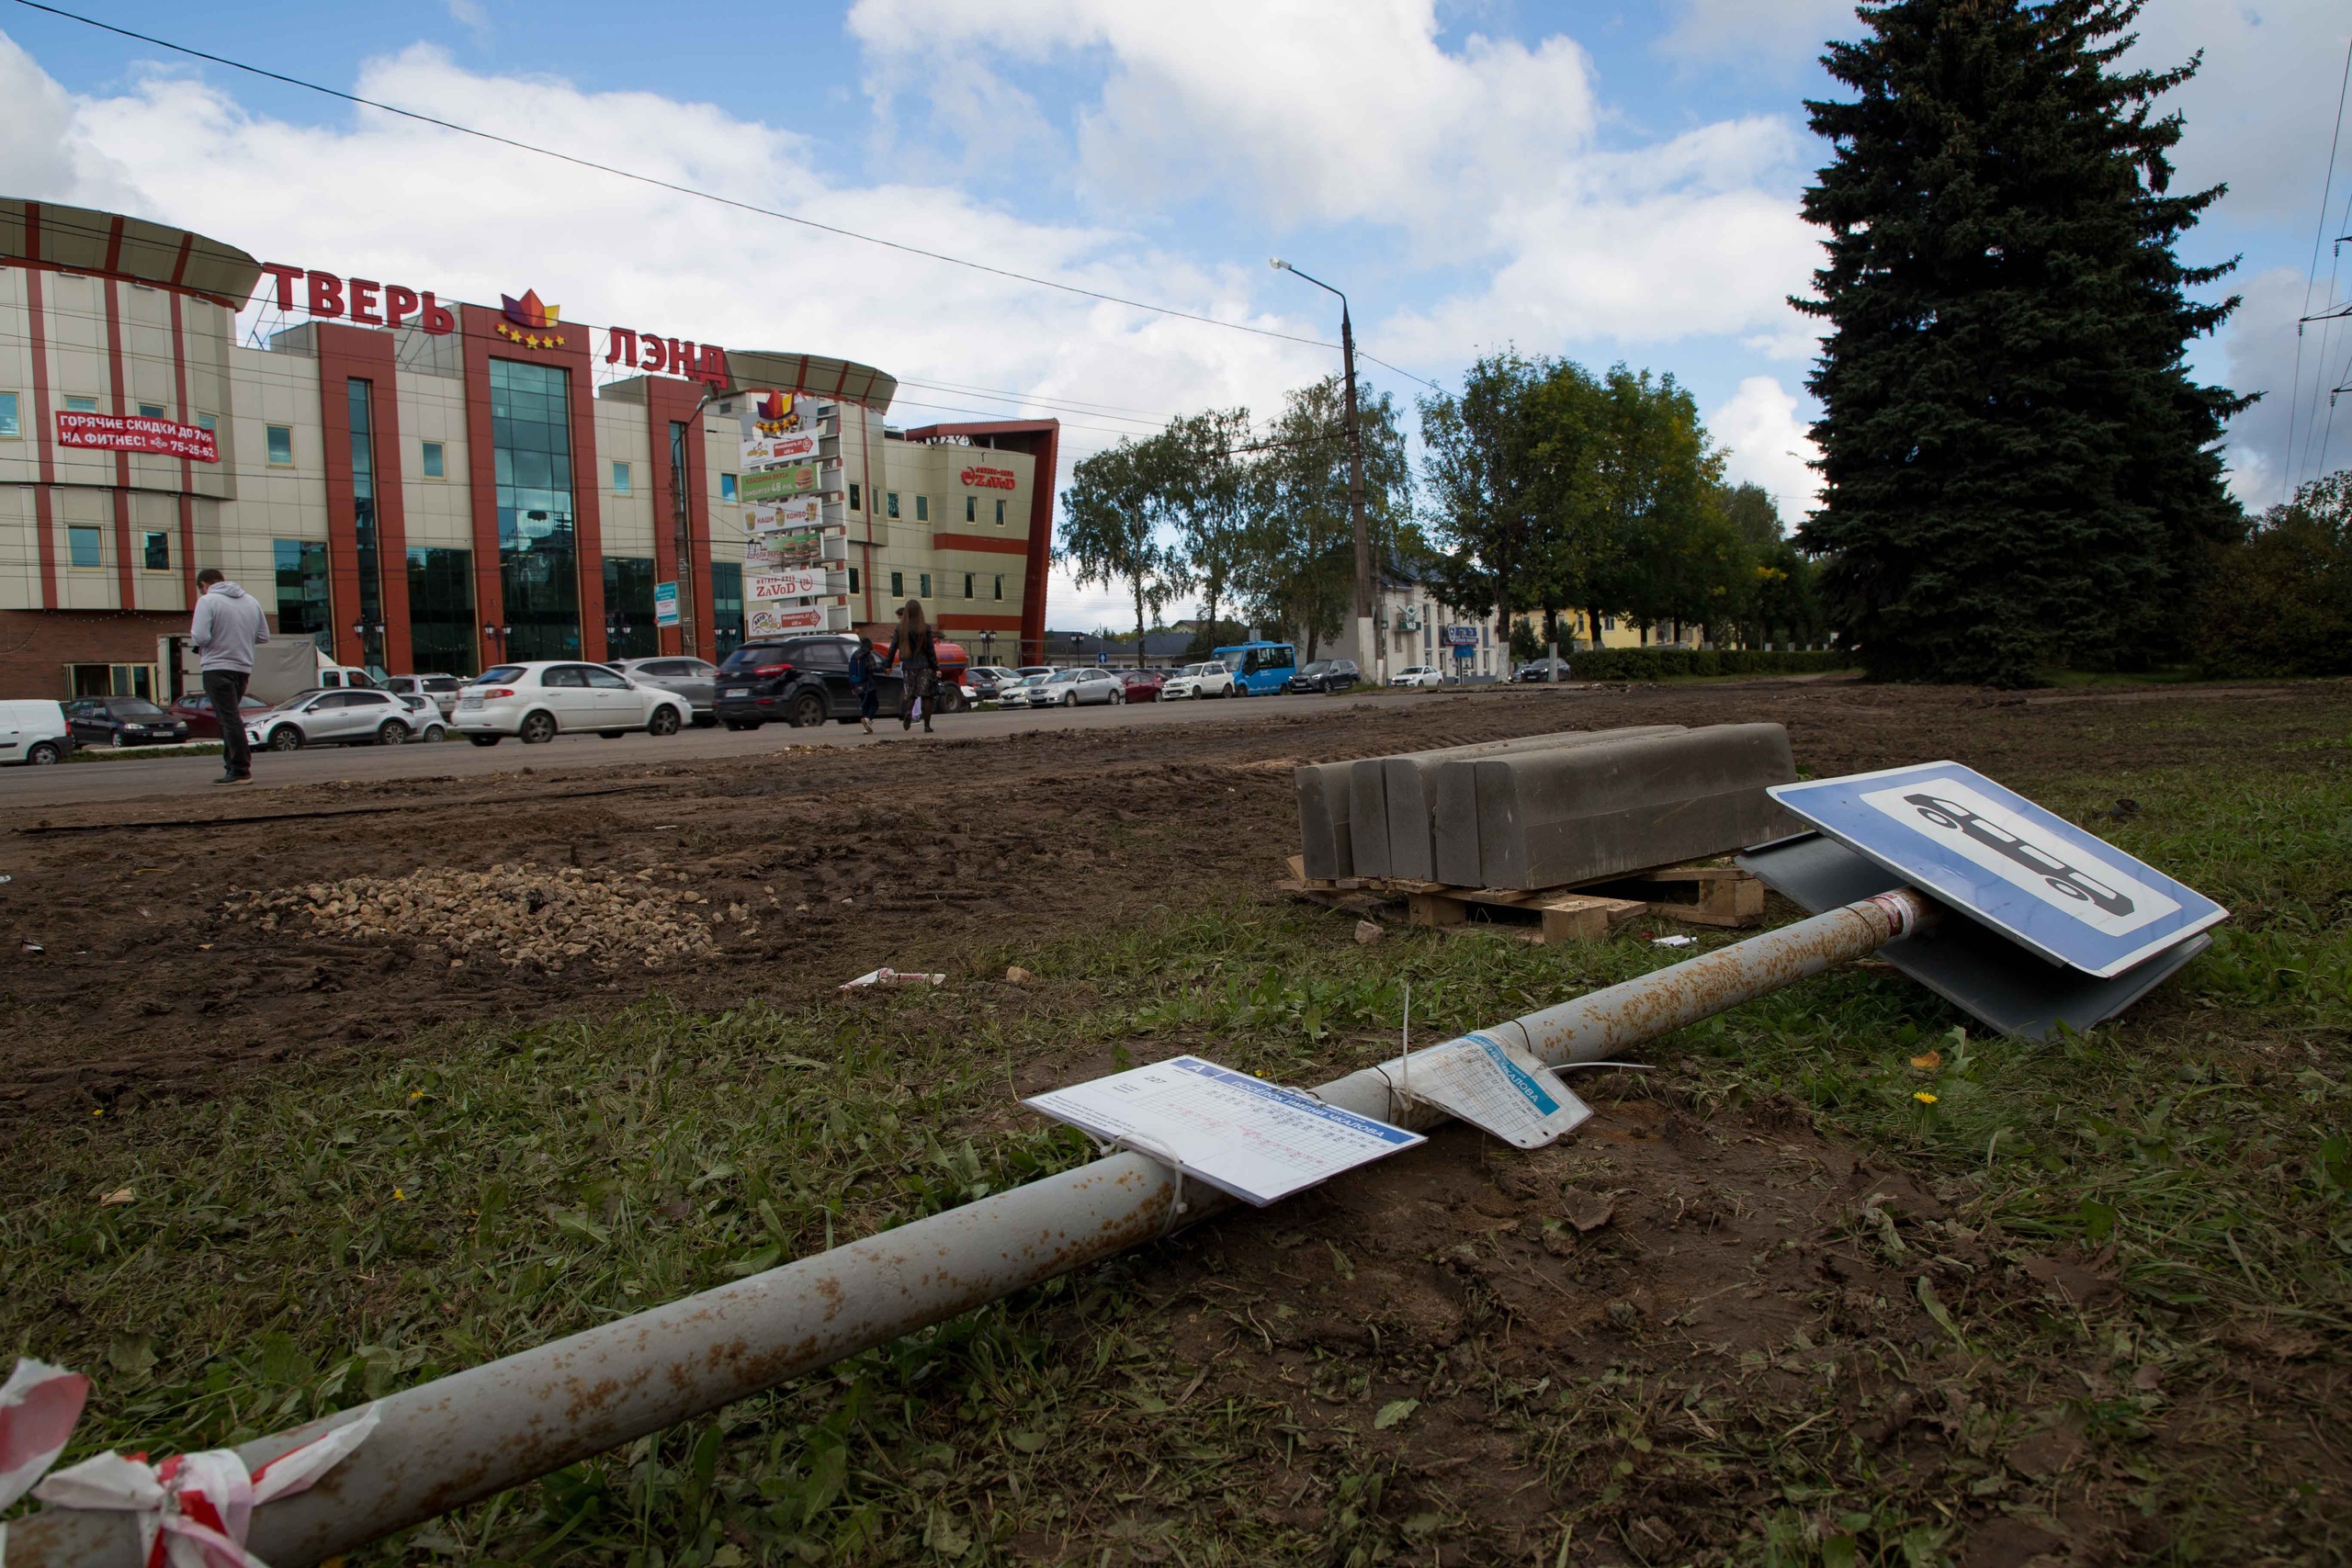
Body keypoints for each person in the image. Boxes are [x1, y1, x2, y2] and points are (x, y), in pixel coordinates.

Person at [189, 567, 269, 784]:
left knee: (228, 719)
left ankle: (240, 769)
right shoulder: (251, 601)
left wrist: (214, 641)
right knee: (231, 717)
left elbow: (200, 636)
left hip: (217, 667)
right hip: (242, 668)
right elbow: (263, 636)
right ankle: (234, 767)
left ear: (204, 585)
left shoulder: (208, 601)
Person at [886, 599, 937, 734]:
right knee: (927, 696)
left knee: (911, 694)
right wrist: (936, 667)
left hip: (908, 666)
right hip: (925, 666)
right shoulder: (925, 627)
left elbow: (892, 648)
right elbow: (931, 650)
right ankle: (927, 726)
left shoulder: (900, 628)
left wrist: (888, 664)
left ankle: (908, 712)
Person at [849, 636, 882, 734]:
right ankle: (867, 720)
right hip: (868, 685)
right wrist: (884, 670)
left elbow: (850, 671)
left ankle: (865, 727)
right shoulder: (868, 655)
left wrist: (852, 686)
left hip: (857, 684)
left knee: (865, 705)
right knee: (874, 704)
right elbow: (873, 668)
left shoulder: (854, 655)